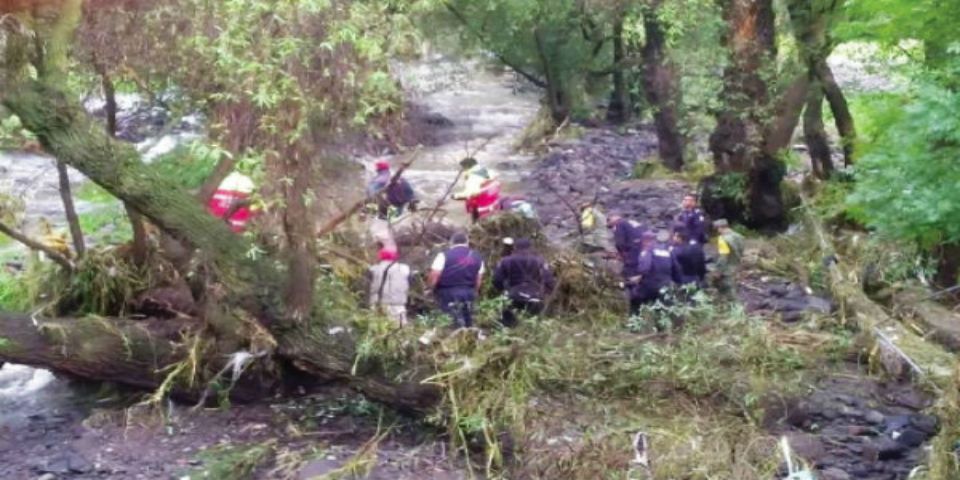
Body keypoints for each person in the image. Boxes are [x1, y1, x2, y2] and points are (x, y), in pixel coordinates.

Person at [492, 238, 556, 327]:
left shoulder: (506, 261)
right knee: (535, 327)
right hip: (535, 296)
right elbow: (549, 280)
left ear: (515, 247)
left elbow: (497, 279)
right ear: (530, 248)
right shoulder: (540, 261)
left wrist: (503, 290)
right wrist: (545, 293)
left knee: (509, 326)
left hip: (514, 296)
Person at [428, 232, 485, 328]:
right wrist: (474, 291)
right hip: (468, 292)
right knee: (468, 320)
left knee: (449, 321)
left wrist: (430, 289)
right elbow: (478, 280)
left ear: (451, 243)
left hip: (447, 292)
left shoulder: (443, 255)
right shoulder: (477, 257)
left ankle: (451, 339)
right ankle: (467, 338)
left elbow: (435, 275)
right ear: (467, 242)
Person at [628, 230, 681, 316]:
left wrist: (640, 276)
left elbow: (644, 268)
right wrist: (677, 282)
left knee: (635, 301)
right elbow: (677, 270)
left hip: (650, 286)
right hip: (665, 287)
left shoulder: (649, 251)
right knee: (662, 311)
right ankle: (662, 327)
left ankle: (634, 324)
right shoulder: (669, 252)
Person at [368, 248, 412, 326]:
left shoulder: (374, 269)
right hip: (397, 305)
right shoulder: (404, 268)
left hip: (377, 304)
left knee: (376, 328)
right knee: (399, 330)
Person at [713, 219, 745, 300]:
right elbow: (741, 250)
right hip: (736, 265)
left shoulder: (723, 239)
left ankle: (733, 305)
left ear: (720, 227)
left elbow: (723, 257)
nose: (717, 231)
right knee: (734, 285)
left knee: (728, 289)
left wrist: (718, 271)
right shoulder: (739, 236)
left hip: (727, 268)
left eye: (717, 228)